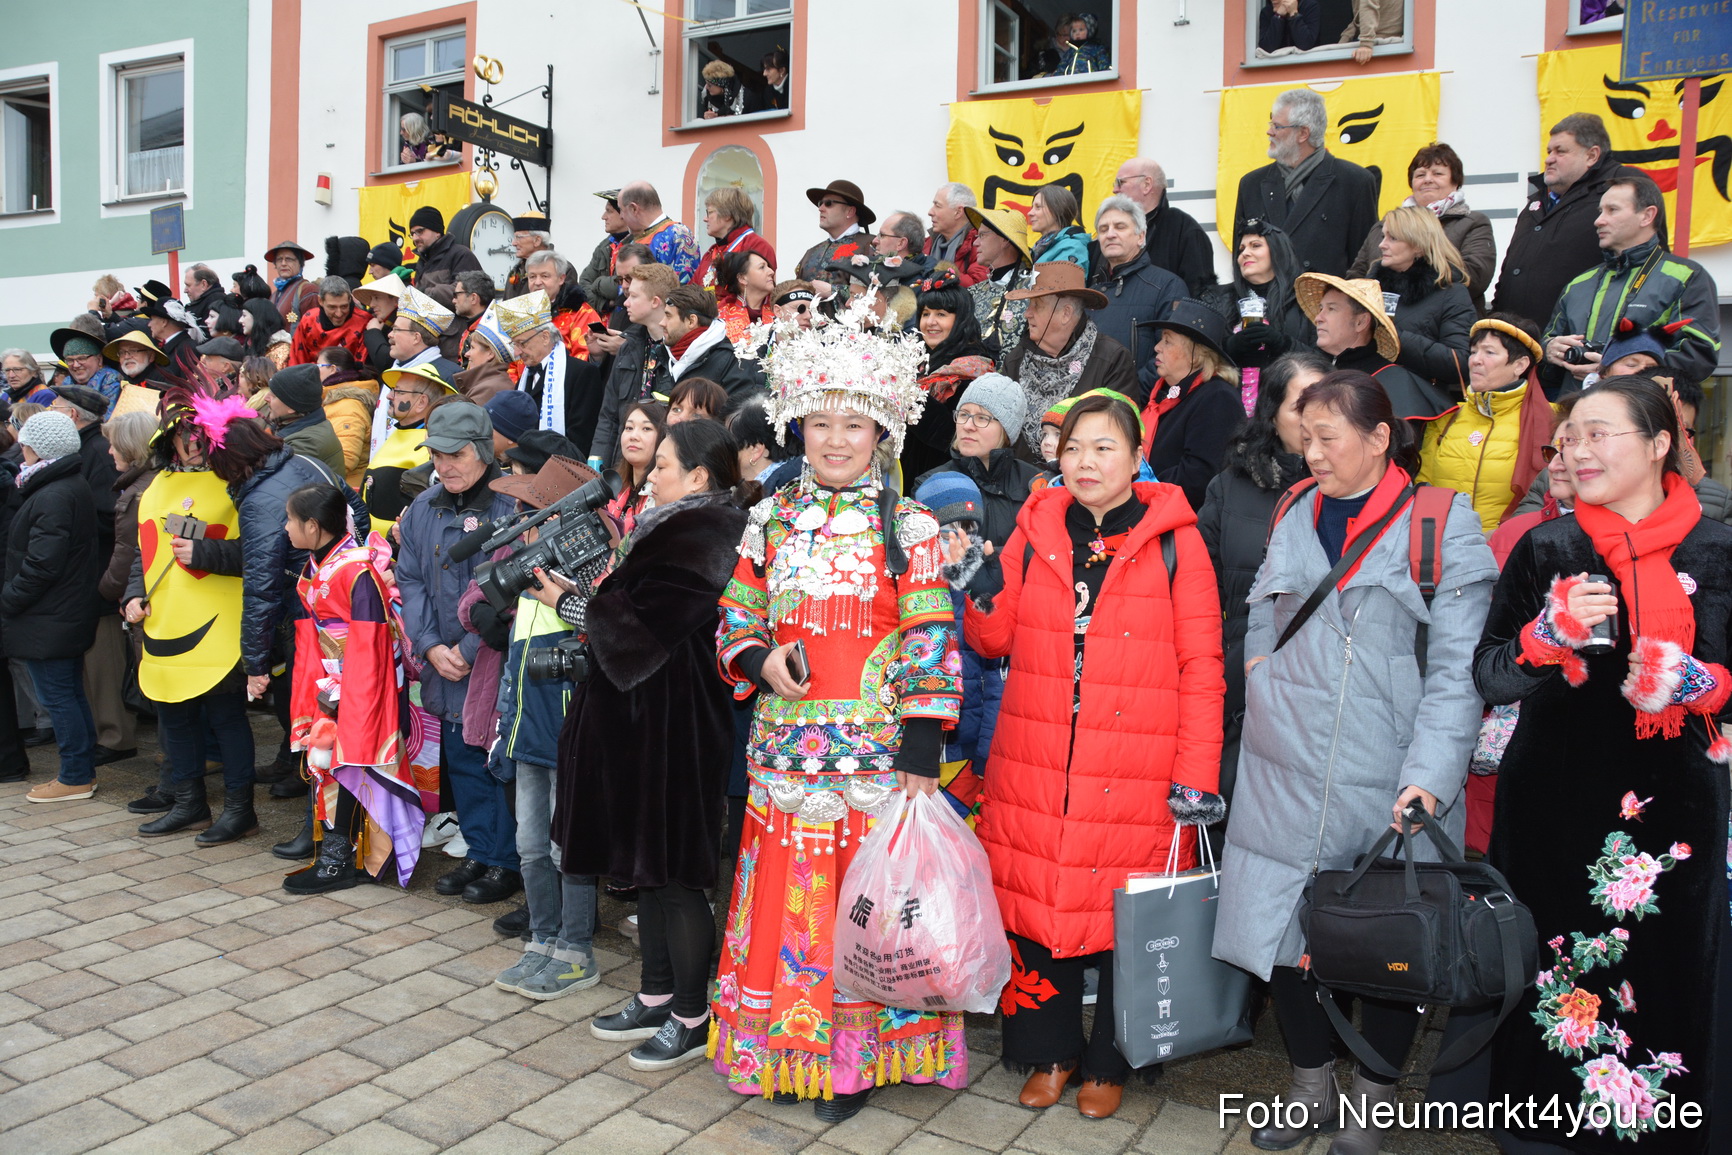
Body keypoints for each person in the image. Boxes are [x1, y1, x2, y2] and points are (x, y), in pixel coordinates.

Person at [1214, 370, 1497, 1155]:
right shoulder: (1295, 509)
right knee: (1280, 935)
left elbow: (1456, 671)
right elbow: (1263, 615)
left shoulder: (1440, 525)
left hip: (1390, 778)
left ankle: (1373, 1100)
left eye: (1328, 436)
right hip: (1281, 765)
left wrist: (1432, 776)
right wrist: (1263, 676)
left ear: (1379, 438)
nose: (1311, 452)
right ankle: (1310, 1086)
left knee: (1388, 949)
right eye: (1304, 435)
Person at [710, 293, 966, 1122]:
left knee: (865, 911)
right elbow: (736, 617)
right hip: (785, 758)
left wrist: (922, 755)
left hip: (876, 765)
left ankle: (857, 1058)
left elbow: (932, 641)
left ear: (882, 434)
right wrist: (756, 655)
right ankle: (778, 1043)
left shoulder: (913, 526)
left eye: (852, 425)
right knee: (791, 905)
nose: (833, 439)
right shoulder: (773, 515)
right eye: (818, 423)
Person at [1473, 376, 1732, 1153]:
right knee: (1551, 978)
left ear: (1660, 443)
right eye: (1568, 438)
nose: (1576, 451)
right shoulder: (1546, 546)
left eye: (1597, 433)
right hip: (1553, 806)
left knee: (1665, 981)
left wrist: (1696, 681)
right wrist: (1543, 640)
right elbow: (1489, 675)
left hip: (1672, 815)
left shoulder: (1718, 550)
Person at [956, 390, 1222, 1119]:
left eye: (1104, 446)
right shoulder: (1036, 524)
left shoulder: (1176, 538)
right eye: (1073, 447)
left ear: (1138, 458)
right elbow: (992, 640)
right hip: (1039, 752)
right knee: (1037, 904)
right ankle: (1049, 1050)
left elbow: (1202, 665)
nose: (1085, 461)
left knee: (1123, 917)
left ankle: (1110, 1059)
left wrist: (1197, 777)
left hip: (1134, 764)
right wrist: (976, 587)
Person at [534, 419, 746, 1063]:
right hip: (643, 720)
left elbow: (646, 631)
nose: (649, 475)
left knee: (678, 874)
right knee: (648, 868)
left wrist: (574, 604)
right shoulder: (668, 526)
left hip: (677, 725)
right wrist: (585, 600)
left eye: (662, 465)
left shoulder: (708, 533)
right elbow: (629, 614)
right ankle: (656, 996)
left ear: (700, 476)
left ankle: (691, 1012)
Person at [397, 402, 523, 904]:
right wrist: (428, 646)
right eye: (436, 454)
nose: (444, 464)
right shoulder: (423, 507)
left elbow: (508, 590)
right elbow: (409, 580)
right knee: (460, 759)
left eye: (455, 455)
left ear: (484, 451)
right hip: (441, 661)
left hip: (488, 660)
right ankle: (481, 849)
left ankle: (506, 860)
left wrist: (467, 649)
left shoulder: (508, 507)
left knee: (494, 759)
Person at [1197, 351, 1327, 830]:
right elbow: (1199, 585)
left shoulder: (1355, 493)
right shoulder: (1230, 488)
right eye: (1301, 405)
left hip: (1320, 692)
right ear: (1272, 413)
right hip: (1238, 690)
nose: (1315, 418)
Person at [279, 483, 422, 894]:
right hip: (333, 677)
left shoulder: (354, 570)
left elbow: (370, 640)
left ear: (312, 525)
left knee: (348, 763)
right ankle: (341, 857)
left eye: (290, 520)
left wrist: (349, 698)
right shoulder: (320, 563)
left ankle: (338, 862)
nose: (285, 527)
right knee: (328, 764)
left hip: (361, 681)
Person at [913, 373, 1039, 768]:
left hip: (1014, 637)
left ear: (1008, 429)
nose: (968, 424)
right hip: (950, 633)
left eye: (983, 418)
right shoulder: (933, 483)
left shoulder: (1038, 486)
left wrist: (990, 559)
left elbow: (1045, 556)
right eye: (963, 414)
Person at [1541, 173, 1720, 397]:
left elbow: (1699, 354)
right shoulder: (1578, 284)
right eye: (1600, 211)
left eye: (1612, 210)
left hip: (1644, 417)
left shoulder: (1687, 276)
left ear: (1647, 216)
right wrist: (1549, 350)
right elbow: (1546, 346)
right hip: (1576, 414)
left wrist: (1619, 368)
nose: (1598, 220)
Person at [7, 413, 101, 804]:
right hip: (60, 611)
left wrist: (8, 599)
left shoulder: (54, 493)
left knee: (59, 696)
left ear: (38, 449)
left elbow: (43, 564)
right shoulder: (61, 485)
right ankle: (80, 770)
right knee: (67, 693)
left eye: (25, 444)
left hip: (51, 614)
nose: (20, 450)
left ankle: (75, 776)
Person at [1493, 113, 1659, 328]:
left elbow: (1645, 259)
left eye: (1560, 151)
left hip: (1581, 337)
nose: (1549, 159)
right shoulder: (1538, 199)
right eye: (1549, 151)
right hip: (1518, 341)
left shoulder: (1623, 184)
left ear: (1592, 155)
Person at [48, 386, 131, 766]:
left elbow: (107, 513)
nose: (50, 411)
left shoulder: (96, 451)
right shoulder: (83, 449)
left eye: (57, 407)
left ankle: (115, 735)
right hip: (87, 571)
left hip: (99, 570)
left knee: (104, 660)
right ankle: (105, 731)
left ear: (73, 416)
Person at [1418, 315, 1558, 533]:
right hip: (1443, 546)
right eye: (1473, 352)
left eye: (1489, 352)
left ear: (1520, 365)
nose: (1475, 360)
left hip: (1508, 547)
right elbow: (1423, 487)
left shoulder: (1551, 419)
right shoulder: (1447, 417)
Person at [1232, 88, 1380, 278]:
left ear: (1303, 133)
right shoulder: (1251, 184)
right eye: (1271, 123)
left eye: (1277, 126)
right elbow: (1240, 257)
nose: (1269, 132)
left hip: (1325, 303)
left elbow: (1364, 261)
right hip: (1266, 303)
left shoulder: (1355, 182)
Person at [98, 412, 165, 810]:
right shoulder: (148, 484)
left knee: (164, 695)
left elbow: (129, 554)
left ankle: (175, 781)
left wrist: (106, 589)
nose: (108, 451)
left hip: (147, 603)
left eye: (115, 443)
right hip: (151, 598)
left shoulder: (138, 492)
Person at [1002, 262, 1137, 454]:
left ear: (1065, 314)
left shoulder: (1112, 360)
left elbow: (1118, 436)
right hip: (1020, 479)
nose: (1027, 313)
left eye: (1036, 306)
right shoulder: (1016, 360)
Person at [1348, 143, 1497, 314]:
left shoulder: (1473, 223)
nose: (1427, 179)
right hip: (1384, 324)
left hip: (1446, 323)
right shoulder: (1382, 226)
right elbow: (1357, 276)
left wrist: (1405, 285)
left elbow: (1475, 277)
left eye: (1437, 173)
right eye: (1420, 174)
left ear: (1456, 181)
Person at [1297, 272, 1452, 419]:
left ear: (1361, 322)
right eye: (1320, 308)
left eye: (1331, 309)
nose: (1318, 318)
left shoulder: (1396, 384)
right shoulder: (1306, 370)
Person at [1140, 299, 1245, 510]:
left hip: (1184, 523)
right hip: (1157, 509)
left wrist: (1138, 487)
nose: (1157, 347)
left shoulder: (1217, 399)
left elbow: (1198, 479)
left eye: (1168, 341)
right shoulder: (1164, 395)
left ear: (1196, 354)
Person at [1088, 195, 1187, 399]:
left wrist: (1127, 396)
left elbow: (1174, 354)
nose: (1110, 234)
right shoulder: (1091, 294)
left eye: (1120, 226)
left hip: (1141, 409)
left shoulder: (1167, 286)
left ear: (1141, 236)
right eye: (1104, 229)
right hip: (1091, 407)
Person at [1369, 204, 1478, 387]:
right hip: (1367, 396)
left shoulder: (1451, 293)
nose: (1382, 245)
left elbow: (1460, 363)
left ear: (1418, 246)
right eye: (1383, 236)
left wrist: (1394, 337)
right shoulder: (1370, 286)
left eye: (1393, 238)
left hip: (1417, 401)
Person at [903, 270, 998, 478]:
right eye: (925, 314)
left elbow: (953, 439)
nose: (930, 322)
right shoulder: (920, 361)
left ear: (960, 320)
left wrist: (911, 395)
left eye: (941, 314)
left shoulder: (974, 373)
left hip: (946, 481)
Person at [1203, 218, 1315, 378]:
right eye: (1241, 249)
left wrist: (1282, 343)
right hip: (1234, 398)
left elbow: (1323, 359)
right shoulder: (1218, 300)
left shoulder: (1306, 299)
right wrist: (1228, 347)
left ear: (1278, 251)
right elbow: (1200, 359)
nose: (1244, 254)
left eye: (1255, 245)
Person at [590, 264, 678, 465]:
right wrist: (597, 463)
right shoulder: (628, 348)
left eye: (634, 296)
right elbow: (609, 417)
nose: (626, 302)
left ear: (655, 302)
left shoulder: (681, 351)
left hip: (663, 463)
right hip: (625, 464)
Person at [363, 363, 454, 533]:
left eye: (399, 391)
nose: (390, 395)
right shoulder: (401, 432)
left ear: (421, 402)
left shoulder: (431, 445)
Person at [1110, 158, 1217, 297]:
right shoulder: (1109, 234)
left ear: (1146, 185)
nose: (1114, 190)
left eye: (1121, 182)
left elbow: (1198, 300)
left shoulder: (1184, 231)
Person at [664, 285, 757, 405]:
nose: (661, 323)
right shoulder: (662, 356)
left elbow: (732, 418)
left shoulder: (735, 364)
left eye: (668, 316)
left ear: (691, 321)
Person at [963, 205, 1033, 357]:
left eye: (982, 235)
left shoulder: (1035, 288)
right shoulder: (972, 293)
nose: (975, 243)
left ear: (1004, 239)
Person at [264, 365, 346, 477]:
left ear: (291, 407)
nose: (265, 398)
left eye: (273, 396)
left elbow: (272, 480)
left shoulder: (304, 443)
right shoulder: (303, 426)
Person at [524, 250, 604, 364]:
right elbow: (513, 358)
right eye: (532, 277)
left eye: (544, 276)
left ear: (561, 279)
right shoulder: (521, 311)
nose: (537, 282)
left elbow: (583, 360)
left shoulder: (582, 313)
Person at [695, 185, 778, 294]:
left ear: (727, 215)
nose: (705, 219)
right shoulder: (711, 252)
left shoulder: (757, 246)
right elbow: (693, 289)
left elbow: (756, 295)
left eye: (709, 212)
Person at [605, 401, 668, 538]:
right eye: (629, 428)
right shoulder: (613, 488)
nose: (633, 436)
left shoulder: (663, 496)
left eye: (646, 429)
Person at [618, 181, 701, 285]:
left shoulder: (679, 235)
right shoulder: (632, 240)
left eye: (621, 210)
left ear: (634, 208)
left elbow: (685, 288)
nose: (621, 216)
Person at [796, 179, 876, 285]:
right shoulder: (811, 253)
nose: (820, 208)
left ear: (850, 211)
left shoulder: (872, 245)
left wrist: (831, 291)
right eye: (820, 203)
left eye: (828, 203)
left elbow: (879, 292)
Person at [405, 206, 485, 300]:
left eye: (420, 231)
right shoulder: (422, 261)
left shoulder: (461, 255)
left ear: (437, 232)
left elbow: (464, 293)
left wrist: (424, 293)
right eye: (412, 234)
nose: (415, 238)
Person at [923, 183, 990, 287]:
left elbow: (977, 287)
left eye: (937, 206)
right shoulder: (927, 244)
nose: (930, 212)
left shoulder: (979, 244)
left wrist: (941, 271)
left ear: (958, 212)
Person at [49, 325, 124, 413]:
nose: (75, 365)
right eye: (70, 360)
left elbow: (108, 417)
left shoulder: (111, 379)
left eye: (82, 358)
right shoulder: (67, 382)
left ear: (99, 360)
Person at [579, 190, 631, 312]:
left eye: (609, 211)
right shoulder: (604, 246)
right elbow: (583, 284)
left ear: (624, 214)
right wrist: (605, 303)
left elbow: (619, 287)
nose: (603, 217)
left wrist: (597, 282)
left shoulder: (638, 245)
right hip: (605, 320)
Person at [715, 249, 777, 344]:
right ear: (742, 278)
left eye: (768, 266)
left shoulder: (780, 310)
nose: (771, 271)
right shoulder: (721, 317)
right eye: (762, 267)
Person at [456, 307, 516, 403]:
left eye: (473, 347)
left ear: (490, 353)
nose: (467, 354)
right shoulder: (489, 384)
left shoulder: (488, 390)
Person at [1026, 185, 1091, 268]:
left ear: (1057, 210)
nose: (1030, 213)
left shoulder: (1072, 248)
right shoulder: (1042, 247)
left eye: (1038, 207)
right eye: (1032, 207)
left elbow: (1064, 280)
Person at [263, 240, 320, 325]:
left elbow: (314, 326)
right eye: (279, 260)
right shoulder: (274, 294)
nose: (283, 263)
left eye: (289, 259)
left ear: (300, 263)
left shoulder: (308, 289)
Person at [505, 208, 553, 299]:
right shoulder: (516, 270)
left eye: (519, 237)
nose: (513, 243)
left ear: (537, 240)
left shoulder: (560, 268)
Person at [1338, 0, 1404, 63]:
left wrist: (1366, 44)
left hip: (1377, 45)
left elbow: (1368, 7)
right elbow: (1358, 19)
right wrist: (1341, 43)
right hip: (1394, 44)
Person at [1044, 12, 1110, 75]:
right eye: (1074, 31)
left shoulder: (1096, 48)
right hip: (1071, 83)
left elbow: (1104, 66)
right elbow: (1061, 67)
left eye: (1081, 30)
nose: (1077, 33)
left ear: (1090, 31)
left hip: (1091, 83)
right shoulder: (1071, 51)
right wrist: (1056, 76)